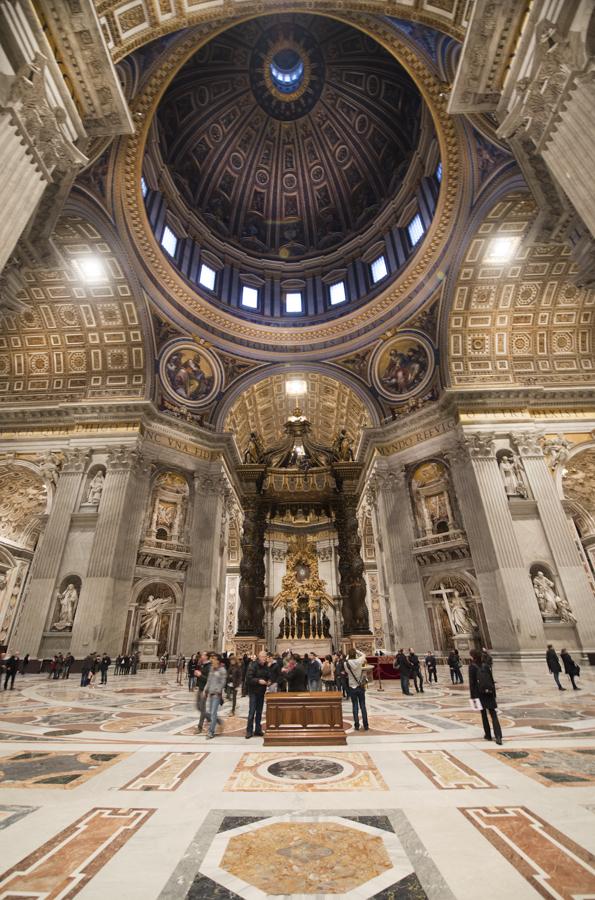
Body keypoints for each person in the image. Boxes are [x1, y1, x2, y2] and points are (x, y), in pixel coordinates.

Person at [468, 648, 502, 744]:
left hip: (479, 693)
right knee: (493, 714)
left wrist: (473, 697)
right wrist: (494, 694)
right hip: (489, 693)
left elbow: (472, 683)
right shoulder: (486, 666)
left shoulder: (472, 667)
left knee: (483, 715)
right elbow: (491, 680)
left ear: (472, 656)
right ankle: (498, 736)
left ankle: (488, 735)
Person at [344, 648, 371, 730]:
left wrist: (348, 655)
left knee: (355, 705)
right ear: (355, 654)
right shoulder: (359, 661)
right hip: (360, 686)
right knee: (363, 706)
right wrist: (357, 651)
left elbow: (346, 659)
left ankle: (356, 725)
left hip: (352, 687)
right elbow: (364, 655)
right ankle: (366, 725)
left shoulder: (346, 663)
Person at [245, 650, 269, 738]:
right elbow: (249, 678)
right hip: (253, 692)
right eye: (263, 657)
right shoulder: (252, 665)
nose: (265, 659)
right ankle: (249, 731)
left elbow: (268, 676)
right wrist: (258, 681)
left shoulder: (266, 666)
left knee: (259, 712)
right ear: (259, 657)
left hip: (261, 692)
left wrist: (269, 680)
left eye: (265, 657)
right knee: (252, 712)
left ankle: (258, 729)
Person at [204, 654, 227, 740]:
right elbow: (209, 680)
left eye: (213, 659)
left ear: (218, 660)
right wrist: (205, 690)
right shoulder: (211, 669)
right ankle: (219, 721)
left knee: (213, 713)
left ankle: (211, 732)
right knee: (211, 713)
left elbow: (223, 682)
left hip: (217, 695)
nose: (212, 660)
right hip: (210, 693)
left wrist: (218, 690)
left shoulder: (222, 670)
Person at [195, 652, 211, 733]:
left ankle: (199, 727)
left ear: (206, 657)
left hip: (205, 689)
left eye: (203, 655)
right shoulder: (202, 664)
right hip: (200, 688)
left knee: (202, 708)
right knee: (198, 707)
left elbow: (208, 679)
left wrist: (200, 675)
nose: (201, 656)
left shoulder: (209, 666)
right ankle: (209, 717)